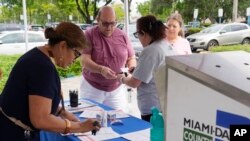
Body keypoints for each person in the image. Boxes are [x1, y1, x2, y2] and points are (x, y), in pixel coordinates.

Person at [0, 22, 100, 141]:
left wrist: (62, 112)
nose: (75, 60)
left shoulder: (37, 56)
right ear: (62, 46)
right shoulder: (43, 68)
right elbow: (40, 119)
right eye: (76, 54)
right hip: (14, 134)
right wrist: (79, 126)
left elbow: (36, 98)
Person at [117, 15, 186, 122]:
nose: (138, 38)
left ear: (143, 33)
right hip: (166, 105)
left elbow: (134, 82)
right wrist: (137, 70)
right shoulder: (165, 45)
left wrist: (121, 77)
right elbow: (155, 71)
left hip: (153, 110)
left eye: (137, 34)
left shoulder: (150, 50)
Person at [80, 6, 136, 112]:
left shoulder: (123, 35)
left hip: (117, 89)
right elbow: (84, 60)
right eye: (105, 23)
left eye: (112, 23)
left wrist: (130, 69)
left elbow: (131, 58)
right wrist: (101, 69)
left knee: (120, 122)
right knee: (91, 123)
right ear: (98, 20)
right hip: (92, 88)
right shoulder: (89, 34)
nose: (109, 27)